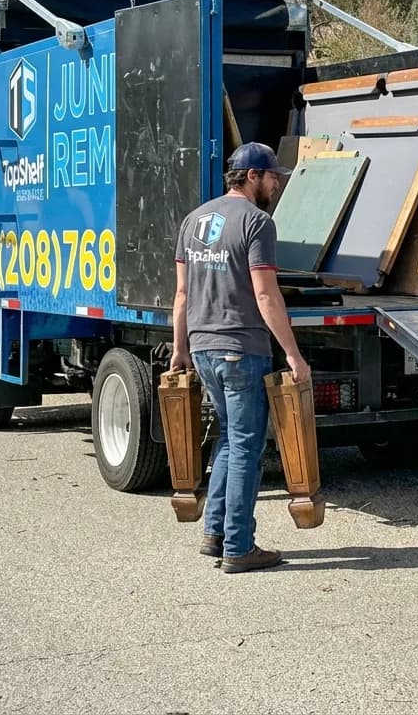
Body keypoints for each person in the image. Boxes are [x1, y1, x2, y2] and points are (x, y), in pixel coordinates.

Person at [171, 142, 311, 574]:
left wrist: (179, 349)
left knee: (230, 440)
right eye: (272, 176)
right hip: (241, 348)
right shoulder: (257, 223)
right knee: (247, 446)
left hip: (202, 346)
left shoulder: (193, 220)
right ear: (252, 176)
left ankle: (215, 534)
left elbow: (181, 294)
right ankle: (239, 546)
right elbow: (267, 295)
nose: (276, 183)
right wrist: (293, 353)